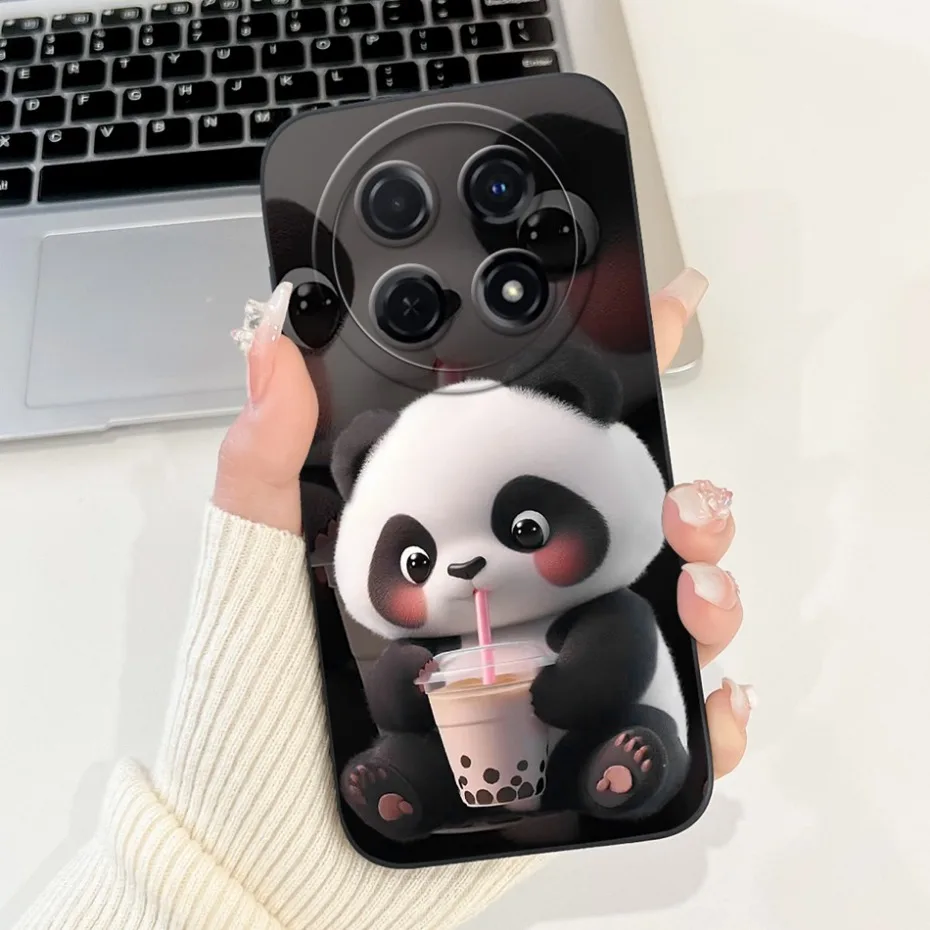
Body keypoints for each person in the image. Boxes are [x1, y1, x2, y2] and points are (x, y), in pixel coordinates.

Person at [15, 269, 753, 930]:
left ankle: (617, 769)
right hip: (465, 771)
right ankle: (409, 792)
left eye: (524, 530)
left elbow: (614, 662)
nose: (465, 566)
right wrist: (405, 688)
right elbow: (401, 708)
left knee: (637, 723)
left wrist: (565, 691)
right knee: (408, 742)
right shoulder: (435, 634)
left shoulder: (609, 614)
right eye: (418, 561)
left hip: (590, 732)